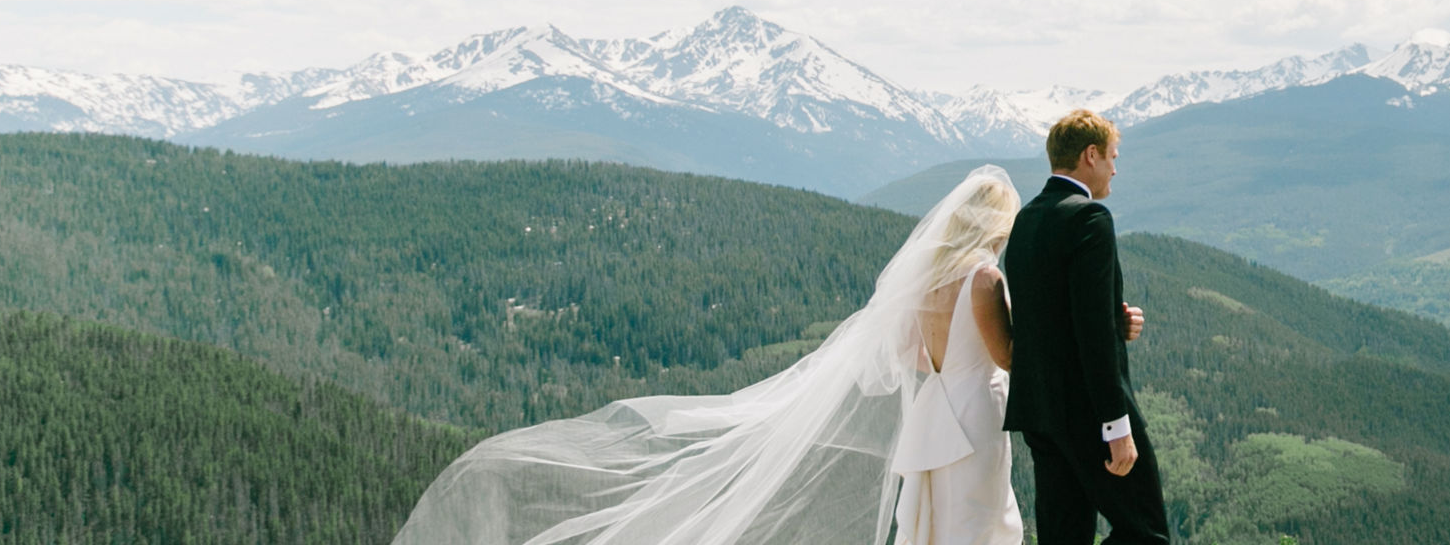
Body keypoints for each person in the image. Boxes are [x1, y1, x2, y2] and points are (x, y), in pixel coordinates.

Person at [389, 165, 1027, 545]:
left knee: (940, 522)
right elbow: (1006, 358)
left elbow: (910, 357)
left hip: (934, 416)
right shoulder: (984, 280)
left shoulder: (928, 281)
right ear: (996, 224)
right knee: (980, 523)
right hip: (973, 417)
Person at [1002, 109, 1168, 544]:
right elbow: (1091, 336)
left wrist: (1117, 321)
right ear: (1090, 155)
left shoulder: (1027, 219)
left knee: (1063, 537)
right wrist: (1115, 426)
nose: (1116, 167)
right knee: (1146, 533)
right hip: (1090, 413)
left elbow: (1050, 313)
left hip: (1040, 412)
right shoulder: (1090, 219)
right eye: (1113, 156)